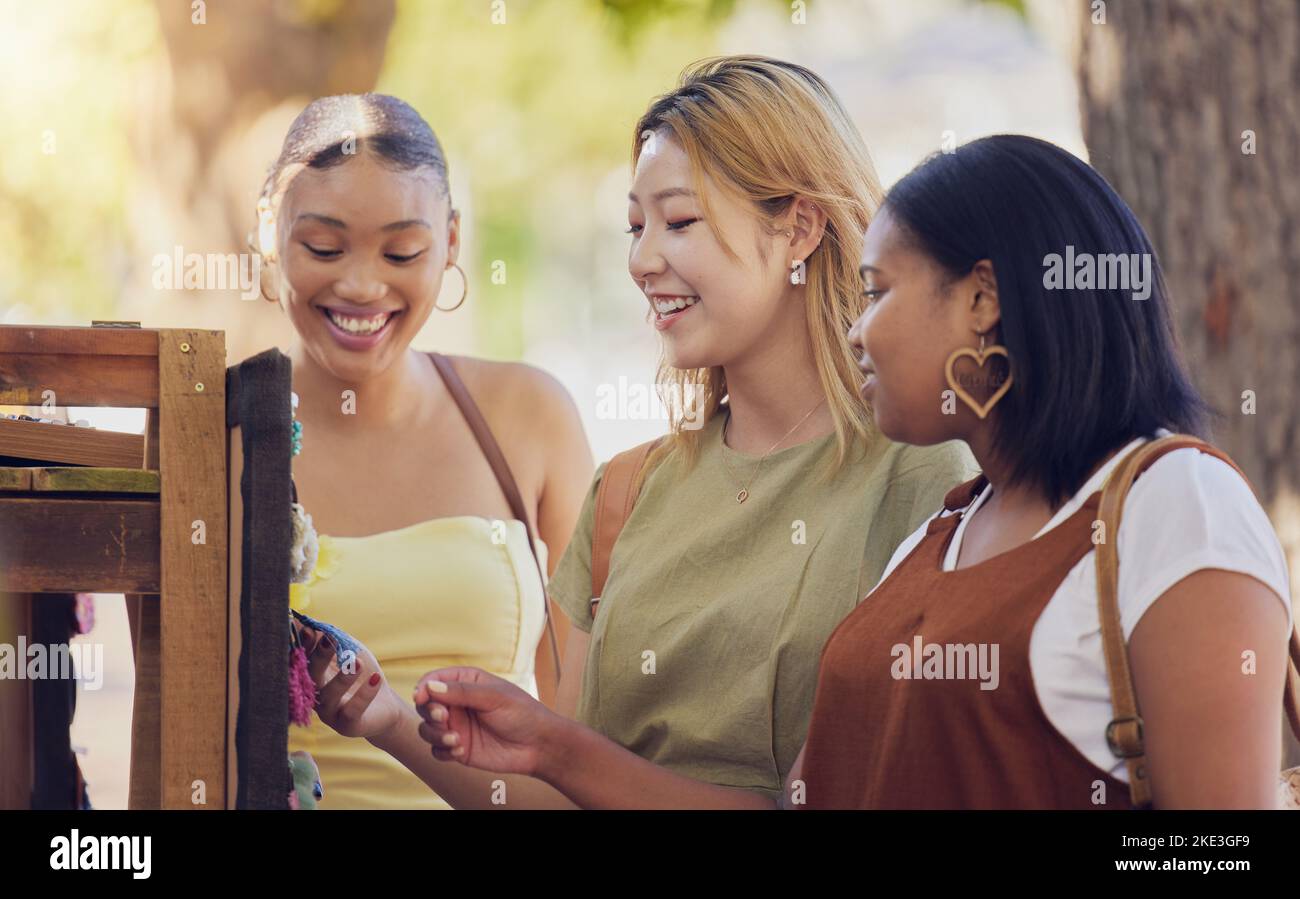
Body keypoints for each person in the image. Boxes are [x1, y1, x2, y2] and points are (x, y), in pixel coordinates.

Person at [315, 134, 1295, 810]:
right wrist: (551, 747)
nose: (857, 326)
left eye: (877, 292)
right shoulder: (942, 534)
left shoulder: (1172, 506)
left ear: (983, 300)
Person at [302, 56, 976, 808]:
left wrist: (563, 750)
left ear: (799, 228)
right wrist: (389, 718)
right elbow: (563, 792)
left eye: (680, 221)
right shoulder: (627, 491)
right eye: (635, 225)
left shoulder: (924, 475)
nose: (641, 259)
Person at [230, 93, 594, 809]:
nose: (362, 284)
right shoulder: (220, 433)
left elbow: (582, 762)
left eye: (402, 252)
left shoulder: (530, 416)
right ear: (269, 237)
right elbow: (185, 742)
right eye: (324, 248)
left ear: (452, 241)